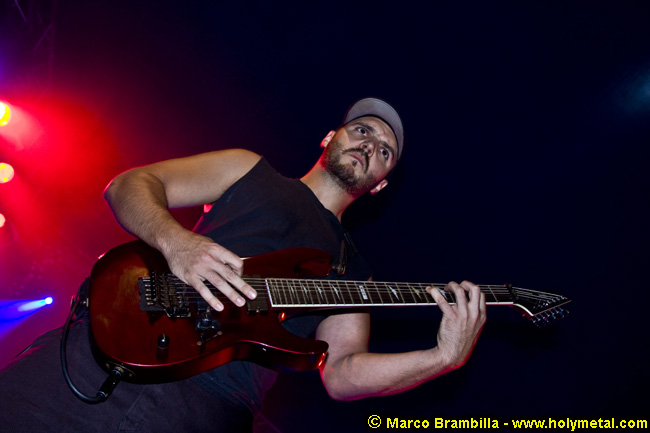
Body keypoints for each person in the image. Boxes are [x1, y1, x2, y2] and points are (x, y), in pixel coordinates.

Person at [0, 98, 486, 432]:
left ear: (380, 184)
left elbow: (341, 373)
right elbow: (129, 184)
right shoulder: (248, 169)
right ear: (330, 137)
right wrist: (177, 242)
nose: (369, 146)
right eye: (362, 130)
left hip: (208, 410)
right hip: (98, 353)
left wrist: (441, 358)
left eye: (385, 151)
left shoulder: (352, 271)